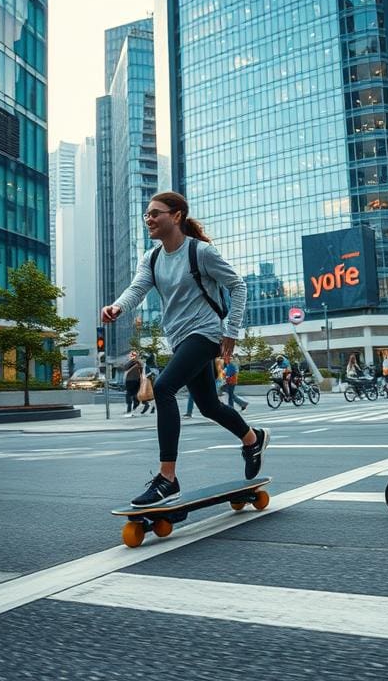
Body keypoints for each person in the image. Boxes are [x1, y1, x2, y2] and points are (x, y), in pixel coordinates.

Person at [101, 191, 269, 507]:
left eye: (155, 213)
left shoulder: (201, 252)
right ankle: (253, 439)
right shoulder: (151, 258)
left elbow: (238, 285)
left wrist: (230, 332)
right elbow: (137, 289)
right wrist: (117, 307)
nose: (148, 219)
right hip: (179, 338)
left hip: (205, 334)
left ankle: (167, 479)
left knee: (163, 388)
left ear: (176, 216)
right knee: (208, 405)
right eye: (146, 214)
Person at [122, 351, 144, 417]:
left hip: (130, 380)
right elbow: (142, 370)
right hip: (136, 380)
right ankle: (133, 409)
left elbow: (125, 368)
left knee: (130, 394)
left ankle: (130, 409)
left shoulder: (131, 362)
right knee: (135, 394)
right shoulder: (139, 362)